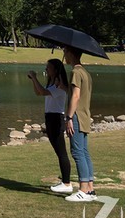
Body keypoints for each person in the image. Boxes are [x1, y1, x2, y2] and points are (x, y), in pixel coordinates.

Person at [27, 59, 72, 193]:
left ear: (56, 70)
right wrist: (33, 80)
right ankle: (65, 181)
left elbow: (42, 92)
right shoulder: (53, 83)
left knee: (61, 152)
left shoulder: (60, 85)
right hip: (50, 118)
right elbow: (38, 92)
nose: (46, 70)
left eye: (48, 68)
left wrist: (34, 77)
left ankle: (67, 183)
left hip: (56, 119)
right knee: (59, 152)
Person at [63, 46, 97, 202]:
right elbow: (78, 93)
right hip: (84, 115)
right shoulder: (85, 72)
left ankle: (83, 189)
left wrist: (69, 118)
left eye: (65, 52)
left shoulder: (76, 72)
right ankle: (90, 188)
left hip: (76, 116)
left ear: (71, 54)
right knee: (84, 151)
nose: (64, 55)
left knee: (77, 152)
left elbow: (76, 97)